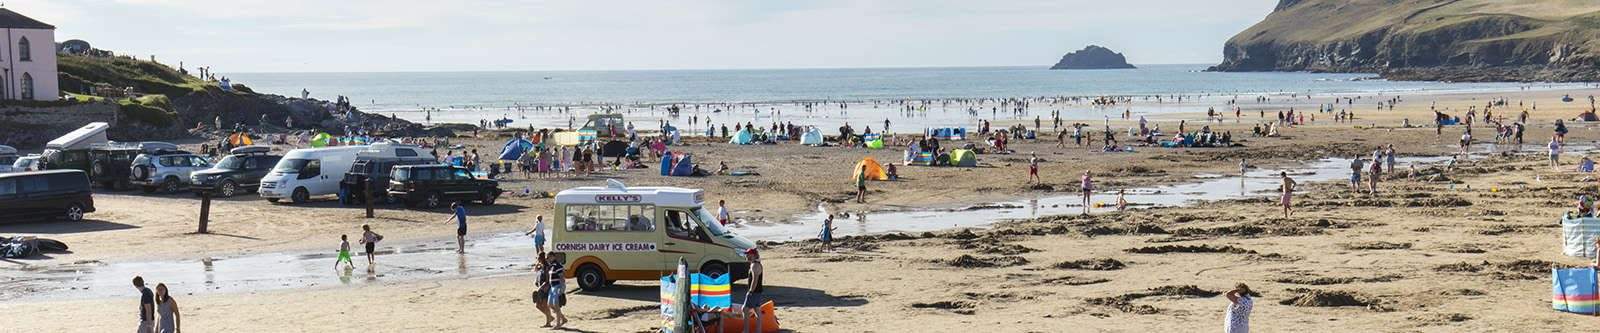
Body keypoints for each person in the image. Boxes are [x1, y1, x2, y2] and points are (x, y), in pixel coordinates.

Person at [546, 254, 569, 329]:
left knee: (556, 305)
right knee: (550, 304)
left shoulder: (557, 265)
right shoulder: (552, 266)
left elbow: (562, 277)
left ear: (553, 257)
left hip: (557, 286)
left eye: (548, 257)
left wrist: (562, 289)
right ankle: (563, 319)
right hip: (552, 287)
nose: (547, 259)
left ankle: (558, 324)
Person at [532, 252, 555, 327]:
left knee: (545, 305)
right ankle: (550, 318)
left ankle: (548, 322)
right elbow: (535, 270)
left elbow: (547, 280)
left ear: (541, 258)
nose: (537, 258)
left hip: (546, 288)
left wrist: (541, 287)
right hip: (541, 287)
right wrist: (537, 263)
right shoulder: (541, 266)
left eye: (538, 257)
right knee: (538, 305)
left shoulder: (546, 266)